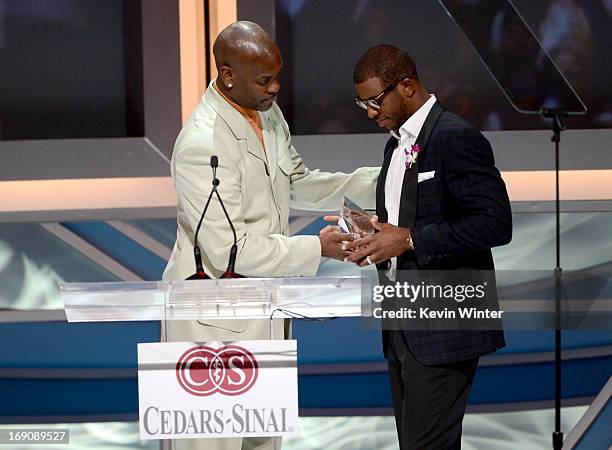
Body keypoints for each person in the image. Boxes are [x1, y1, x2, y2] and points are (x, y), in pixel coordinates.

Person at [162, 22, 378, 450]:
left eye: (278, 75)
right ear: (228, 75)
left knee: (264, 445)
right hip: (214, 329)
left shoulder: (266, 112)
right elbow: (228, 251)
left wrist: (385, 181)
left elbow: (296, 181)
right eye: (265, 79)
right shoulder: (201, 144)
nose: (276, 87)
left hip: (266, 314)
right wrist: (317, 247)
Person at [344, 45, 512, 449]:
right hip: (403, 322)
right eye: (361, 103)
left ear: (406, 85)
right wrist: (372, 235)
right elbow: (405, 226)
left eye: (374, 100)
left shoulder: (456, 137)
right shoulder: (394, 146)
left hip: (445, 324)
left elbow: (494, 223)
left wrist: (409, 239)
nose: (369, 112)